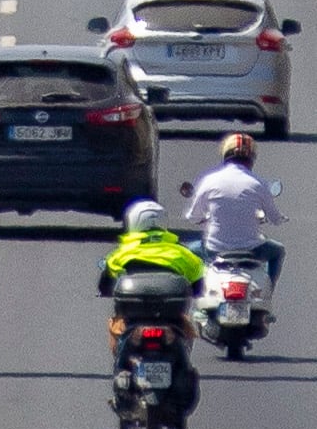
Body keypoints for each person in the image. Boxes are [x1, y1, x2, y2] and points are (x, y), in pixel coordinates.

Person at [99, 199, 204, 355]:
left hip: (133, 312)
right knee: (186, 326)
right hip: (171, 312)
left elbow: (106, 283)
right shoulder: (183, 253)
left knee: (116, 325)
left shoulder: (121, 253)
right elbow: (198, 283)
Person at [183, 132, 286, 287]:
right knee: (278, 251)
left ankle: (197, 293)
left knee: (187, 252)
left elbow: (193, 217)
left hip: (214, 249)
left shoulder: (210, 181)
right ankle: (268, 289)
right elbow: (275, 218)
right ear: (251, 158)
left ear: (226, 155)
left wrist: (203, 217)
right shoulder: (258, 183)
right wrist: (282, 218)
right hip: (252, 249)